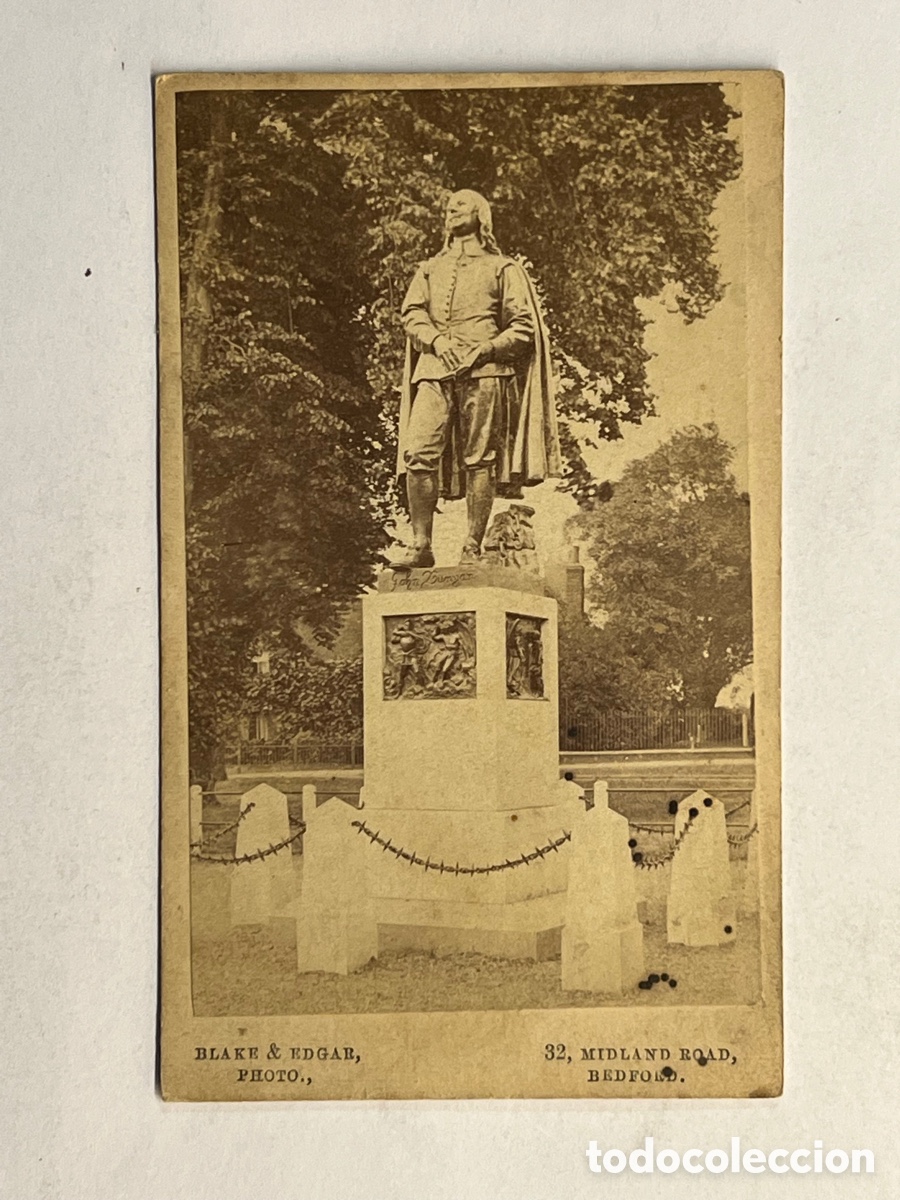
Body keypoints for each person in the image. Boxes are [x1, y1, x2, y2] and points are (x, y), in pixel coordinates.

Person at [390, 189, 560, 568]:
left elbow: (523, 327)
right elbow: (412, 314)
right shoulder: (429, 269)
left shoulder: (503, 268)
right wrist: (436, 341)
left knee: (480, 459)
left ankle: (471, 545)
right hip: (433, 370)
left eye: (461, 204)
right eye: (449, 207)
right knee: (417, 454)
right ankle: (421, 544)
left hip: (485, 371)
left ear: (480, 215)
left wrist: (485, 349)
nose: (451, 209)